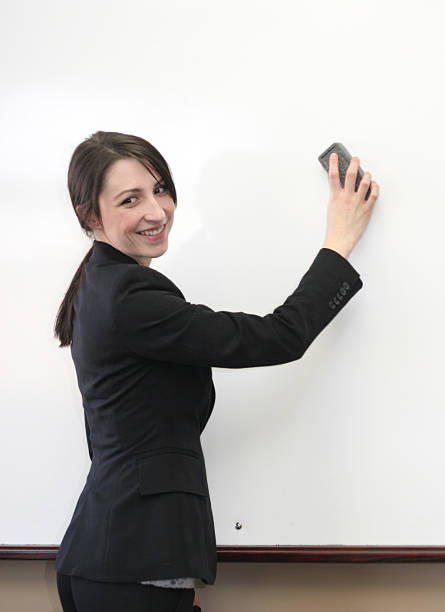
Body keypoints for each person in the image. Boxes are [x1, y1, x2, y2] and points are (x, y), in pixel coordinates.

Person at [53, 130, 379, 611]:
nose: (156, 210)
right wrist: (339, 242)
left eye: (160, 188)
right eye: (130, 199)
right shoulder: (129, 298)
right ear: (90, 215)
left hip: (119, 561)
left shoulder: (103, 287)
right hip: (133, 566)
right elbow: (279, 336)